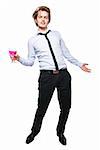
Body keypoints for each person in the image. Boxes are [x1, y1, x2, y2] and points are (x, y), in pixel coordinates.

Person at [11, 6, 91, 146]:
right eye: (40, 17)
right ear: (36, 19)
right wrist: (18, 58)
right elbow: (30, 62)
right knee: (42, 107)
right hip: (46, 77)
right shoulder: (32, 40)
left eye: (45, 17)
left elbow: (66, 53)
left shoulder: (57, 34)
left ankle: (60, 132)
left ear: (49, 19)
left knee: (66, 107)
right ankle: (34, 132)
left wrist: (79, 64)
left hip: (63, 75)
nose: (43, 19)